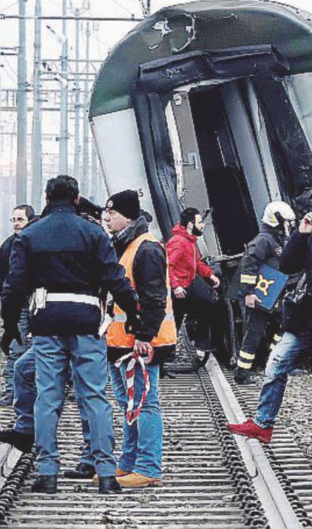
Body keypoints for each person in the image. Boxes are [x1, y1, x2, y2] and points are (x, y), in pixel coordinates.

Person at [0, 175, 134, 494]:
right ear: (76, 199)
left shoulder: (29, 235)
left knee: (48, 396)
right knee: (94, 396)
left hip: (46, 324)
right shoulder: (93, 232)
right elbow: (115, 278)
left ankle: (48, 474)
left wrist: (8, 326)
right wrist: (135, 316)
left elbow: (14, 285)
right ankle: (105, 474)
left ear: (47, 198)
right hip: (86, 323)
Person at [227, 187, 312, 464]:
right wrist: (300, 235)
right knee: (276, 364)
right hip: (307, 316)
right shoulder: (310, 235)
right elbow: (288, 265)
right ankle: (263, 423)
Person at [102, 190, 175, 489]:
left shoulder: (146, 249)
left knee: (144, 403)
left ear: (128, 216)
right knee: (128, 404)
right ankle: (128, 462)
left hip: (140, 343)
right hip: (121, 342)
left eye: (112, 213)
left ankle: (148, 466)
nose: (107, 218)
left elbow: (154, 296)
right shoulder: (128, 246)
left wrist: (145, 335)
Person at [234, 201, 295, 384]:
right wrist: (249, 293)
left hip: (272, 295)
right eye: (287, 221)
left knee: (282, 327)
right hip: (260, 296)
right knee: (254, 333)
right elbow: (249, 265)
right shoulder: (263, 240)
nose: (289, 225)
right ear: (277, 220)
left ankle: (272, 361)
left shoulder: (274, 240)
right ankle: (241, 373)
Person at [166, 208, 221, 356]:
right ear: (190, 224)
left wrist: (210, 275)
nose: (203, 225)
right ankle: (169, 352)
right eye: (200, 222)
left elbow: (197, 263)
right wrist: (175, 286)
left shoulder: (190, 241)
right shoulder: (179, 242)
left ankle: (197, 340)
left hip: (186, 284)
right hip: (180, 286)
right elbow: (167, 265)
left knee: (205, 302)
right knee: (177, 318)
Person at [1, 205, 36, 403]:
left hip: (39, 302)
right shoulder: (8, 245)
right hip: (19, 304)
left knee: (46, 347)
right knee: (17, 347)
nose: (16, 223)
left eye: (20, 219)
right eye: (13, 219)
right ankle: (11, 390)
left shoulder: (39, 242)